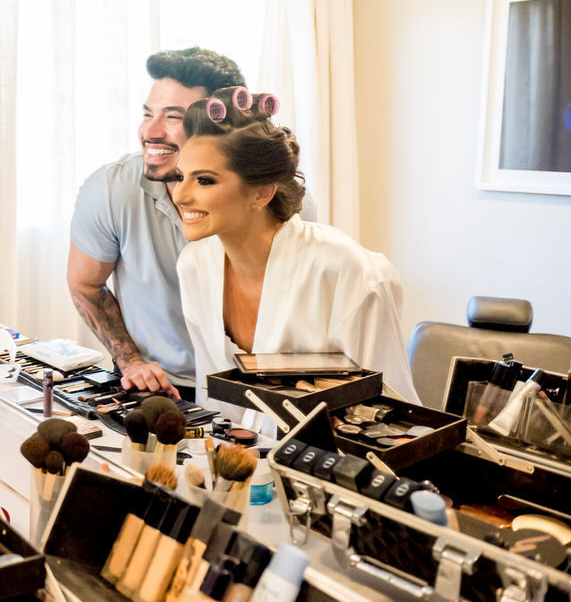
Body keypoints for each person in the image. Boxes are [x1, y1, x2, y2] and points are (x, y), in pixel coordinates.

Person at [173, 86, 419, 413]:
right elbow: (214, 399)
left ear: (262, 192)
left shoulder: (348, 272)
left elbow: (390, 409)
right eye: (180, 177)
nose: (180, 196)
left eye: (204, 180)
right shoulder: (194, 267)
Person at [67, 48, 247, 396]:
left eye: (173, 117)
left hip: (250, 385)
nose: (150, 131)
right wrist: (131, 361)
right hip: (159, 386)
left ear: (223, 125)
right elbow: (84, 284)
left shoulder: (271, 198)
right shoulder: (110, 189)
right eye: (147, 114)